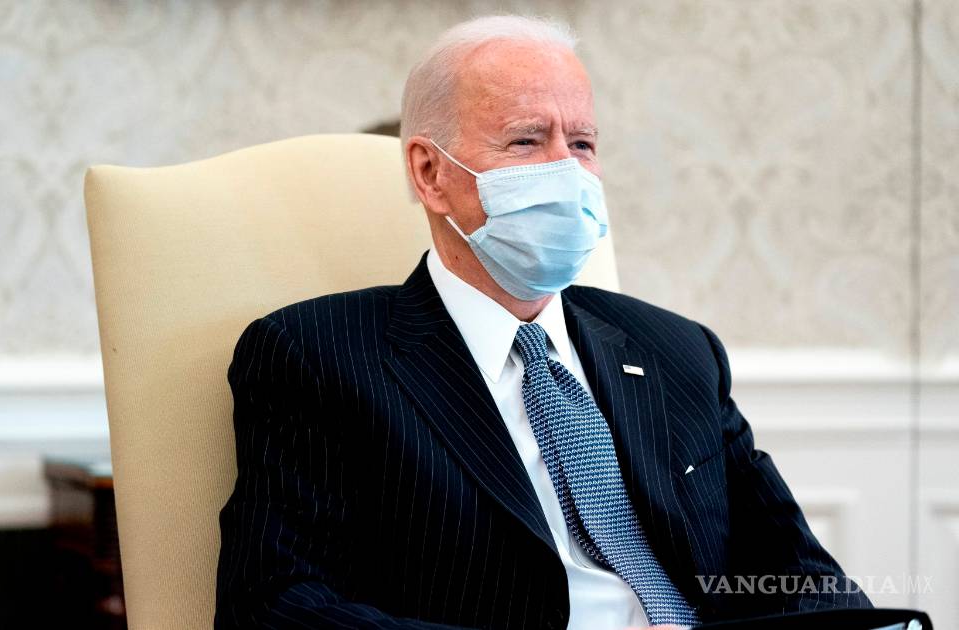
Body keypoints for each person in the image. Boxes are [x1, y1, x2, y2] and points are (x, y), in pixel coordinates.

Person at [215, 14, 871, 630]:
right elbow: (276, 605)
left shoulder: (678, 350)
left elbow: (805, 579)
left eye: (582, 144)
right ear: (430, 172)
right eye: (527, 141)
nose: (566, 170)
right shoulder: (316, 355)